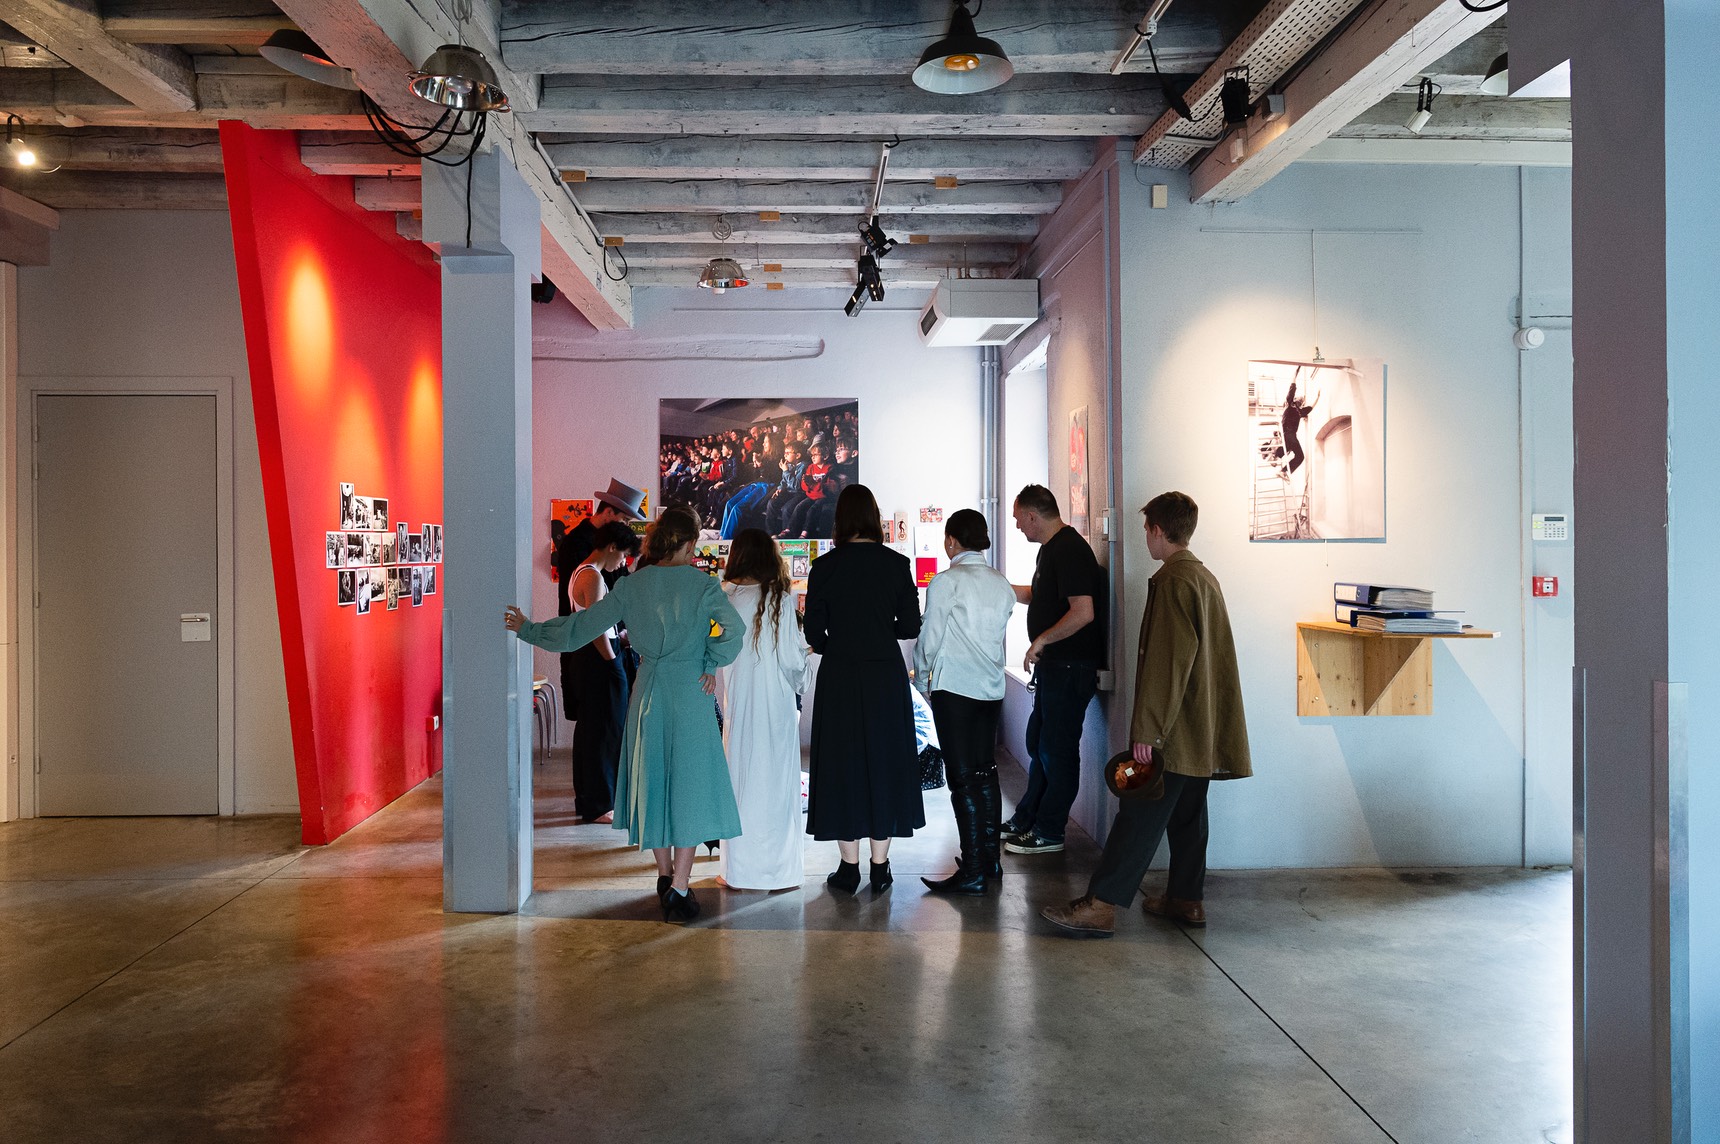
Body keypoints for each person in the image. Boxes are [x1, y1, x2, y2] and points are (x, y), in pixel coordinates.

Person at [505, 507, 744, 922]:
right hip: (691, 691)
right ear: (690, 544)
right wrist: (709, 660)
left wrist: (529, 629)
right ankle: (680, 887)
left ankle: (664, 877)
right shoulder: (703, 585)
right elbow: (734, 631)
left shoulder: (632, 585)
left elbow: (580, 628)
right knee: (688, 786)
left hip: (648, 692)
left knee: (653, 782)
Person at [1042, 492, 1252, 938]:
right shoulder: (1203, 577)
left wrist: (1150, 732)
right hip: (1199, 725)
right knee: (1189, 815)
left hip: (1173, 728)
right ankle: (1186, 899)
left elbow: (1167, 662)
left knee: (1139, 810)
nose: (1145, 539)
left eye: (1145, 530)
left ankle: (1101, 905)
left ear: (1158, 530)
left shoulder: (1174, 581)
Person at [804, 484, 923, 893]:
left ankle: (849, 867)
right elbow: (910, 626)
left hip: (840, 674)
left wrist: (838, 642)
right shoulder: (897, 564)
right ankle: (880, 866)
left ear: (840, 519)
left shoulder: (824, 567)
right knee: (884, 762)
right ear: (874, 517)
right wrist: (879, 632)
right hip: (884, 675)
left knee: (842, 763)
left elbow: (814, 632)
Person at [913, 509, 1018, 894]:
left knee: (961, 778)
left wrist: (921, 678)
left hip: (955, 688)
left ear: (951, 541)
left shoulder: (947, 582)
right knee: (985, 771)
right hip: (991, 689)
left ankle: (973, 870)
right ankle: (989, 861)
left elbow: (930, 636)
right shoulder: (1001, 583)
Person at [1002, 485, 1107, 856]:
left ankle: (1049, 831)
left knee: (1056, 750)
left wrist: (1041, 640)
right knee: (1040, 744)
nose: (1018, 527)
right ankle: (1028, 817)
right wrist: (1000, 587)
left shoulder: (1070, 550)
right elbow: (1040, 596)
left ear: (1033, 516)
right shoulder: (1050, 550)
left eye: (1019, 519)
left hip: (1069, 666)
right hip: (1055, 668)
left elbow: (1083, 612)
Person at [716, 529, 810, 891]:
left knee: (740, 781)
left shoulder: (724, 597)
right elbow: (791, 661)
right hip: (776, 707)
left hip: (740, 704)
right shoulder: (780, 601)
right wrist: (805, 668)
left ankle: (738, 872)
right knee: (777, 785)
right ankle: (781, 872)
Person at [553, 479, 647, 720]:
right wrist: (613, 661)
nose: (626, 527)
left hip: (611, 642)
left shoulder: (610, 548)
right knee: (597, 722)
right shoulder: (578, 545)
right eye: (624, 520)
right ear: (608, 513)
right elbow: (592, 612)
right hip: (592, 649)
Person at [563, 520, 637, 824]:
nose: (623, 562)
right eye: (623, 554)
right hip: (598, 660)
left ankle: (590, 801)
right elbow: (595, 626)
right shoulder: (591, 575)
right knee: (604, 732)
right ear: (611, 547)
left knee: (592, 730)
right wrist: (612, 659)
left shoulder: (583, 572)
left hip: (592, 658)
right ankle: (599, 804)